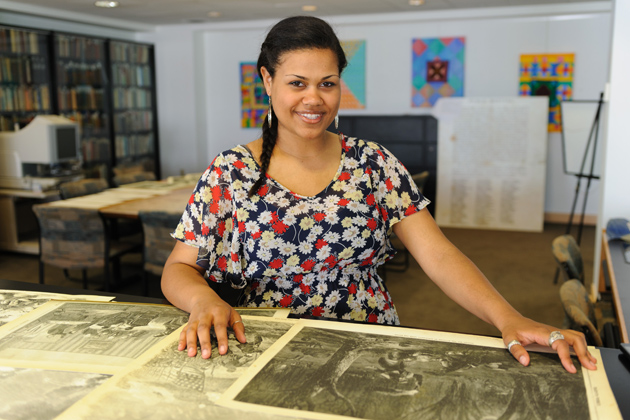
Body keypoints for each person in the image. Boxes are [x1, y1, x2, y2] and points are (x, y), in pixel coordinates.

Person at [162, 15, 596, 374]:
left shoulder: (373, 164)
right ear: (267, 80)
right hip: (261, 348)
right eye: (297, 83)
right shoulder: (231, 172)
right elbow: (178, 269)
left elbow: (438, 256)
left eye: (327, 84)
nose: (314, 98)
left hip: (367, 348)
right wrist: (203, 300)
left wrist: (509, 318)